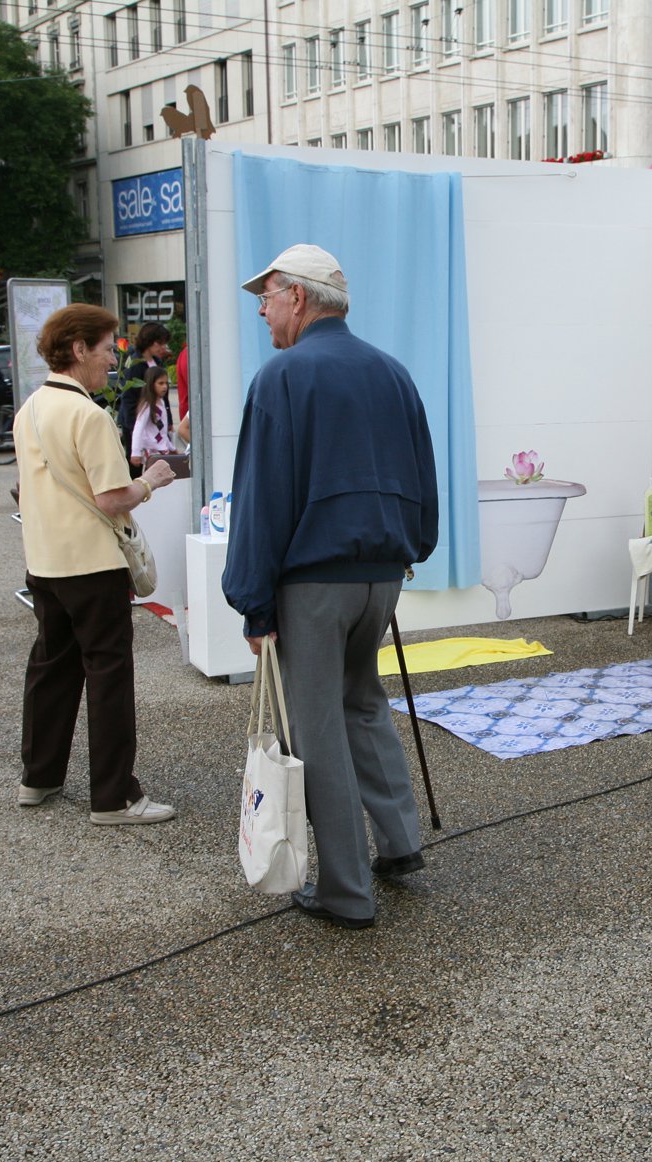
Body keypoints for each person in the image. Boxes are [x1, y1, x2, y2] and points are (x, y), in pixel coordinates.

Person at [222, 244, 439, 929]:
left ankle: (347, 891)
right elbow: (423, 483)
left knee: (317, 730)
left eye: (267, 297)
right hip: (381, 577)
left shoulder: (282, 378)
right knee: (363, 703)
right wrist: (410, 550)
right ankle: (401, 843)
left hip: (314, 584)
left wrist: (253, 601)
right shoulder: (393, 372)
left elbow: (262, 502)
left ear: (298, 298)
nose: (262, 311)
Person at [14, 303, 178, 825]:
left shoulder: (31, 408)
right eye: (108, 348)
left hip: (45, 561)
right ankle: (114, 795)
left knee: (51, 668)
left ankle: (39, 775)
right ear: (79, 349)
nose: (114, 359)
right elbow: (112, 498)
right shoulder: (88, 414)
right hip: (92, 563)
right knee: (108, 673)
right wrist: (152, 481)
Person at [116, 321, 171, 470]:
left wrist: (169, 420)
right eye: (159, 343)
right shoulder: (135, 363)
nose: (162, 348)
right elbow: (129, 397)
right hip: (137, 422)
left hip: (155, 421)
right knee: (138, 465)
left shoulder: (157, 362)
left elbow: (163, 396)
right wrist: (133, 426)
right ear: (149, 342)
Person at [129, 364, 176, 465]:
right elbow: (138, 428)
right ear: (151, 384)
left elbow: (162, 432)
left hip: (163, 450)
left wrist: (172, 448)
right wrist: (135, 452)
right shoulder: (147, 406)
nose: (165, 387)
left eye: (166, 383)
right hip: (152, 452)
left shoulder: (162, 402)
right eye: (160, 383)